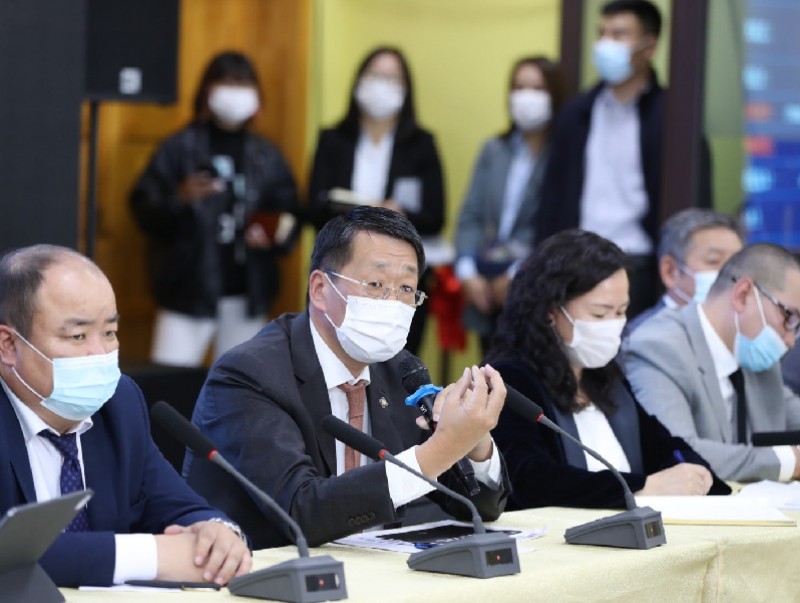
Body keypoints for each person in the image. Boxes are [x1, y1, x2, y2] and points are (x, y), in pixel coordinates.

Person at [184, 206, 509, 549]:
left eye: (406, 288)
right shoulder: (250, 374)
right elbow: (301, 513)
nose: (393, 303)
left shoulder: (400, 370)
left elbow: (480, 507)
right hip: (268, 572)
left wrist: (474, 439)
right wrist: (442, 449)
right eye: (375, 284)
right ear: (320, 289)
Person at [0, 245, 251, 587]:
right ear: (8, 345)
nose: (100, 353)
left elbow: (178, 505)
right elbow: (8, 556)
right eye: (77, 336)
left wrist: (216, 533)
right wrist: (150, 557)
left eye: (109, 333)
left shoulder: (118, 403)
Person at [487, 230, 729, 510]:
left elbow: (664, 445)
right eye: (600, 314)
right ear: (550, 312)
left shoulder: (604, 376)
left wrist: (693, 472)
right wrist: (641, 488)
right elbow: (530, 479)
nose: (613, 324)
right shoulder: (509, 379)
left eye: (621, 312)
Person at [535, 0, 712, 319]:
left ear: (649, 47)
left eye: (619, 35)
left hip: (640, 267)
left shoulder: (673, 117)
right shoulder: (577, 113)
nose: (605, 44)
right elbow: (552, 197)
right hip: (576, 264)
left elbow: (695, 203)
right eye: (602, 33)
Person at [130, 51, 299, 367]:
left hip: (247, 295)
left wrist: (271, 235)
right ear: (208, 89)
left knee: (242, 387)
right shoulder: (179, 147)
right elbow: (143, 208)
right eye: (227, 82)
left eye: (243, 83)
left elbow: (290, 215)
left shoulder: (267, 155)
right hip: (186, 294)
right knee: (170, 384)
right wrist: (180, 198)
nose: (236, 91)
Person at [307, 46, 445, 354]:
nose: (381, 86)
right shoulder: (333, 139)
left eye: (392, 79)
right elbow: (312, 207)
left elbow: (436, 217)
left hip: (396, 276)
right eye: (374, 76)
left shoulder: (421, 145)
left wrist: (398, 213)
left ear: (406, 89)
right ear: (358, 81)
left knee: (395, 365)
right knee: (329, 356)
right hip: (342, 269)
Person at [622, 243, 800, 482]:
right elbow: (679, 454)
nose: (790, 340)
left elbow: (792, 412)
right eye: (789, 317)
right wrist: (789, 462)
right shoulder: (658, 347)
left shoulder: (756, 354)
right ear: (742, 295)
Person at [454, 56, 566, 352]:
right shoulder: (493, 150)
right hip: (485, 286)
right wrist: (467, 273)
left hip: (538, 291)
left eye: (537, 88)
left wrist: (519, 273)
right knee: (488, 370)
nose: (526, 96)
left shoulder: (563, 155)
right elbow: (471, 216)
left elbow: (558, 226)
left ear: (555, 95)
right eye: (519, 87)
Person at [624, 208, 743, 335]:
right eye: (713, 261)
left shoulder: (746, 331)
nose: (730, 271)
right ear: (670, 271)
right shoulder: (640, 336)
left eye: (737, 262)